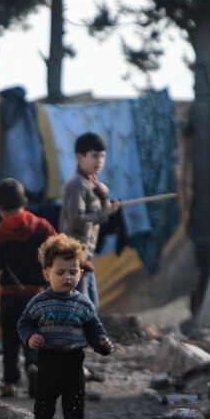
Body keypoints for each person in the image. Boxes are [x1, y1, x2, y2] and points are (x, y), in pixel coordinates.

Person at [17, 234, 115, 419]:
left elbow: (94, 328)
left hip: (73, 363)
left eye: (72, 272)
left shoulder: (83, 304)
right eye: (60, 272)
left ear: (80, 273)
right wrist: (31, 337)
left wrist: (102, 343)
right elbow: (24, 323)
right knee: (43, 408)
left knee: (74, 410)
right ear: (46, 274)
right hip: (48, 362)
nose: (67, 277)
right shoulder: (38, 302)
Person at [0, 178, 57, 398]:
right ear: (25, 201)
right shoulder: (41, 226)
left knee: (10, 338)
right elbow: (57, 247)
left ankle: (9, 383)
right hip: (36, 294)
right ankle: (33, 366)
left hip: (9, 295)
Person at [59, 132, 120, 310]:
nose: (99, 161)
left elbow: (98, 213)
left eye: (102, 156)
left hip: (87, 254)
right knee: (84, 305)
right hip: (74, 256)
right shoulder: (78, 184)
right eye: (94, 155)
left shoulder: (92, 184)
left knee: (91, 304)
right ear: (80, 157)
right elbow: (77, 221)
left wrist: (105, 200)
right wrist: (104, 212)